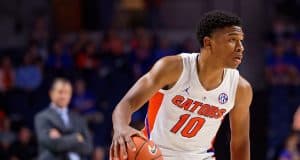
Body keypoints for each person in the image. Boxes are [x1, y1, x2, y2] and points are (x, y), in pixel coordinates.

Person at [110, 10, 253, 160]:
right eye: (232, 40)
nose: (240, 47)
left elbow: (240, 142)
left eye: (241, 40)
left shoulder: (240, 89)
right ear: (208, 43)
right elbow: (127, 103)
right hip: (156, 154)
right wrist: (120, 127)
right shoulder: (173, 68)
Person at [35, 78, 93, 160]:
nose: (63, 96)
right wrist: (76, 138)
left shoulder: (79, 118)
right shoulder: (42, 117)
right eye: (60, 92)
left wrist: (61, 138)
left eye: (67, 93)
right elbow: (55, 145)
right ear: (51, 93)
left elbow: (88, 148)